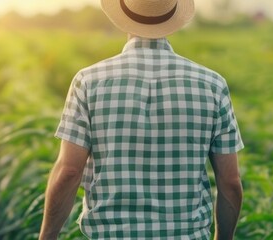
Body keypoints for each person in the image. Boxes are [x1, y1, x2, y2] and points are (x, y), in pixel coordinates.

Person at [39, 0, 244, 239]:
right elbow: (230, 181)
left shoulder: (88, 81)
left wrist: (47, 236)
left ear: (123, 15)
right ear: (172, 17)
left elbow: (69, 171)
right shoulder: (212, 85)